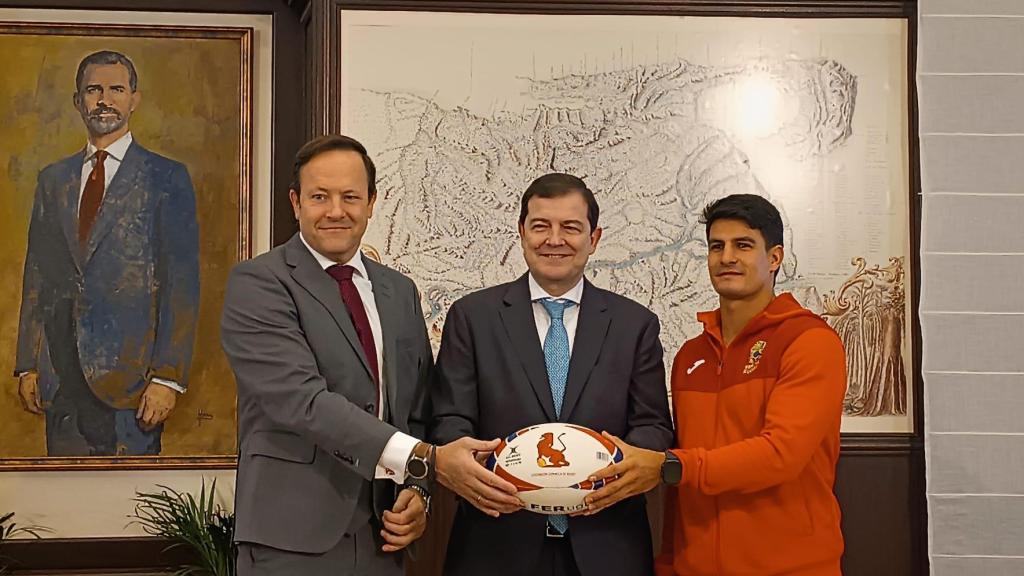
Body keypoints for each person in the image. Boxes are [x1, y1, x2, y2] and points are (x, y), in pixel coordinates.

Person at [221, 134, 520, 576]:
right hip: (291, 540)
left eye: (350, 197)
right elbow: (301, 402)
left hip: (385, 536)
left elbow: (417, 408)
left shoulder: (398, 291)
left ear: (373, 202)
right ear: (295, 202)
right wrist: (428, 461)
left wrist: (419, 492)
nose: (336, 211)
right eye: (319, 196)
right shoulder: (258, 284)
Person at [585, 194, 847, 576]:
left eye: (743, 245)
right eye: (716, 246)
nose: (727, 257)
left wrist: (669, 466)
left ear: (774, 258)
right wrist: (670, 562)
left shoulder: (810, 342)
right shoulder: (691, 355)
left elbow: (780, 455)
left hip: (791, 567)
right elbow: (681, 479)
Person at [430, 173, 674, 576]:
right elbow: (448, 421)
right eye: (541, 226)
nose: (554, 239)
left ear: (593, 239)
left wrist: (623, 466)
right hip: (495, 544)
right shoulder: (472, 317)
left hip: (607, 545)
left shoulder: (636, 324)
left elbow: (652, 425)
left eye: (570, 228)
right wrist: (469, 465)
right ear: (521, 232)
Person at [15, 49, 199, 456]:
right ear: (77, 100)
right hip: (62, 383)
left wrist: (168, 377)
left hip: (131, 387)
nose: (104, 99)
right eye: (93, 89)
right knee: (64, 506)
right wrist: (28, 363)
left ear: (134, 98)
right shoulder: (54, 180)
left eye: (116, 89)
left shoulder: (165, 177)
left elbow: (181, 285)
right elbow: (38, 277)